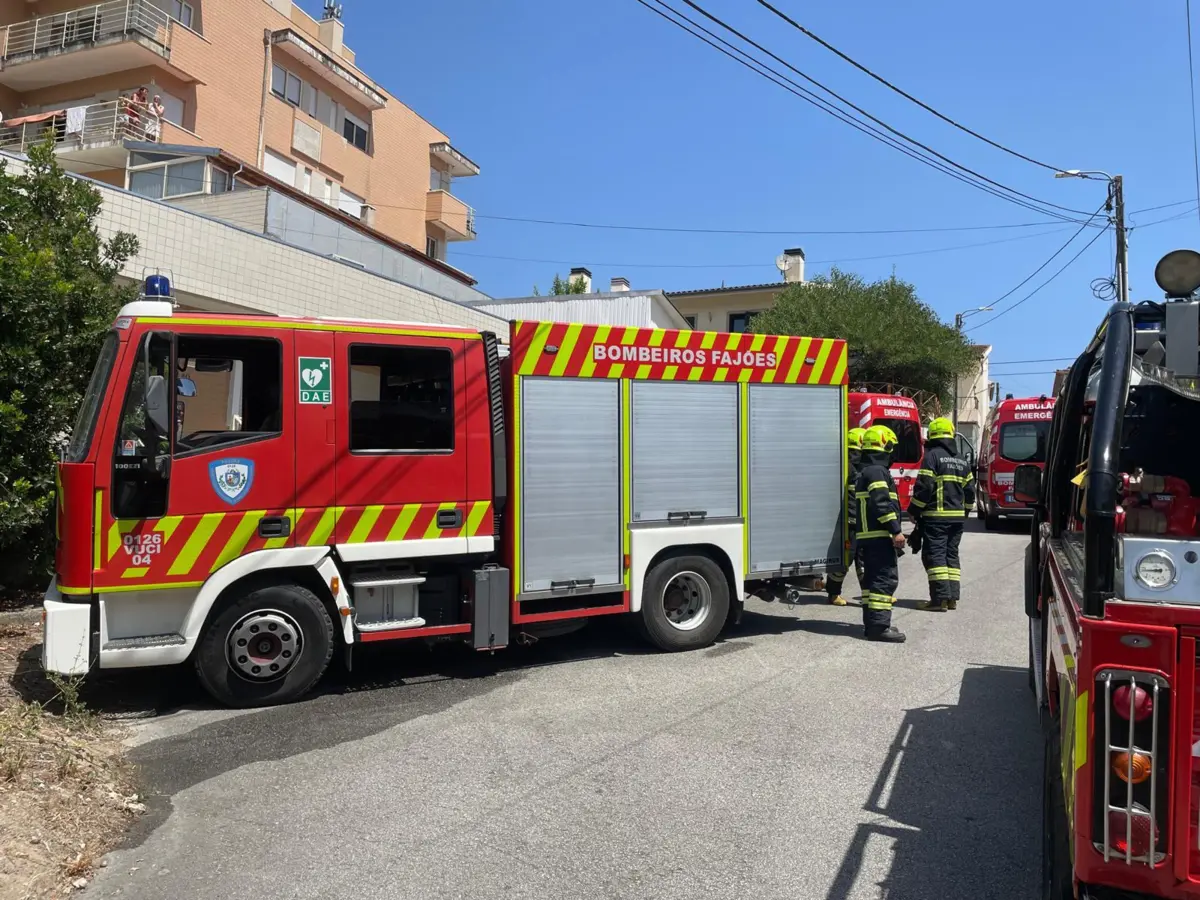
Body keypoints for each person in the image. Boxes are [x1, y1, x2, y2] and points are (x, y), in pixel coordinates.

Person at [908, 416, 976, 611]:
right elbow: (970, 490)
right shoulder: (961, 460)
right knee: (951, 555)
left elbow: (924, 487)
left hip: (936, 518)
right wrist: (965, 512)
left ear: (932, 436)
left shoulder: (932, 457)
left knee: (935, 556)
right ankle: (952, 598)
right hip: (957, 519)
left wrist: (914, 509)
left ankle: (938, 600)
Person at [855, 425, 907, 642]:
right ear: (885, 444)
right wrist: (895, 530)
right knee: (883, 580)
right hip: (878, 535)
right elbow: (881, 503)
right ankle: (879, 627)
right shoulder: (877, 471)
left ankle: (873, 624)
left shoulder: (866, 470)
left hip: (869, 537)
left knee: (871, 582)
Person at [826, 427, 868, 605]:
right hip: (853, 523)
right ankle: (834, 593)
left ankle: (866, 595)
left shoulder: (849, 466)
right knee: (849, 561)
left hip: (853, 522)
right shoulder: (852, 467)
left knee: (858, 561)